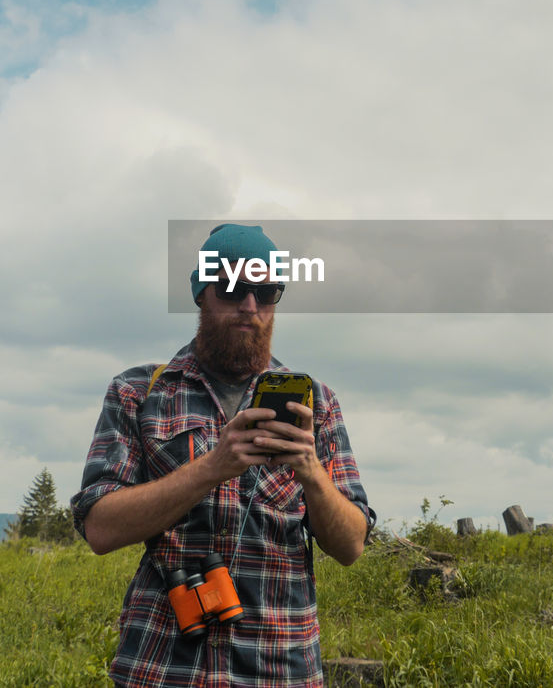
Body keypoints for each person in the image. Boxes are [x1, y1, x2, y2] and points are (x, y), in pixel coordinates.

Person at [71, 223, 375, 687]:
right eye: (232, 288)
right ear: (201, 293)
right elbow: (99, 527)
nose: (249, 306)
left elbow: (351, 545)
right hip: (163, 668)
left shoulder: (316, 403)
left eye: (266, 291)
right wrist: (213, 467)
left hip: (280, 669)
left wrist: (311, 472)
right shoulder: (139, 393)